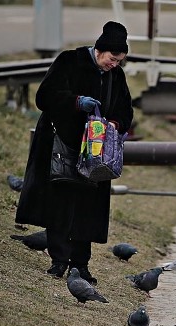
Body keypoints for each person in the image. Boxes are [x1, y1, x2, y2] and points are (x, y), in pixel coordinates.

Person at [16, 21, 133, 285]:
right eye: (113, 59)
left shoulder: (117, 75)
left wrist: (114, 123)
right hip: (63, 146)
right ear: (100, 51)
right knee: (59, 203)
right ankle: (58, 261)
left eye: (120, 61)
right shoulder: (70, 61)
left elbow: (126, 111)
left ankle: (81, 265)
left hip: (95, 154)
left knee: (88, 209)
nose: (114, 64)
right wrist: (76, 102)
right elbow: (44, 97)